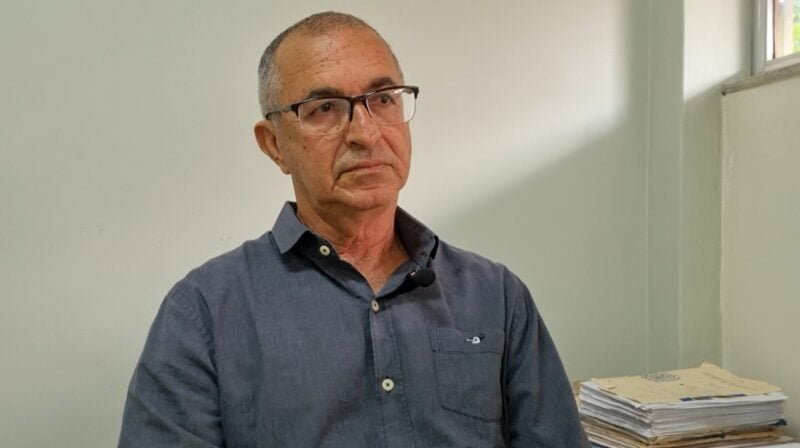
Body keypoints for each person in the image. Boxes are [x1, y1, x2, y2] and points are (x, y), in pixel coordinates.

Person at [118, 11, 588, 448]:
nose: (366, 132)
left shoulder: (496, 296)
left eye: (383, 99)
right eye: (325, 107)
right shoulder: (204, 312)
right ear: (274, 144)